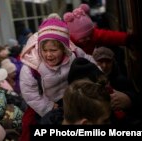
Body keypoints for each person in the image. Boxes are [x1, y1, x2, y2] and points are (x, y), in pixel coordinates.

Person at [19, 13, 95, 141]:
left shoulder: (74, 54)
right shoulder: (31, 67)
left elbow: (89, 61)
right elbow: (29, 93)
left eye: (53, 50)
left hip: (71, 99)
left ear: (64, 48)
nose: (48, 55)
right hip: (45, 103)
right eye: (44, 50)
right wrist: (47, 107)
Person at [93, 46, 140, 125]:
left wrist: (128, 99)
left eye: (108, 61)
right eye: (100, 62)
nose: (104, 66)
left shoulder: (122, 80)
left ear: (113, 62)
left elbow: (138, 101)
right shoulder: (90, 82)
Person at [63, 4, 133, 55]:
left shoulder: (93, 35)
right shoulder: (69, 44)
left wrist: (126, 38)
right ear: (74, 36)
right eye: (83, 38)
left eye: (89, 35)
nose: (87, 39)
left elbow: (108, 36)